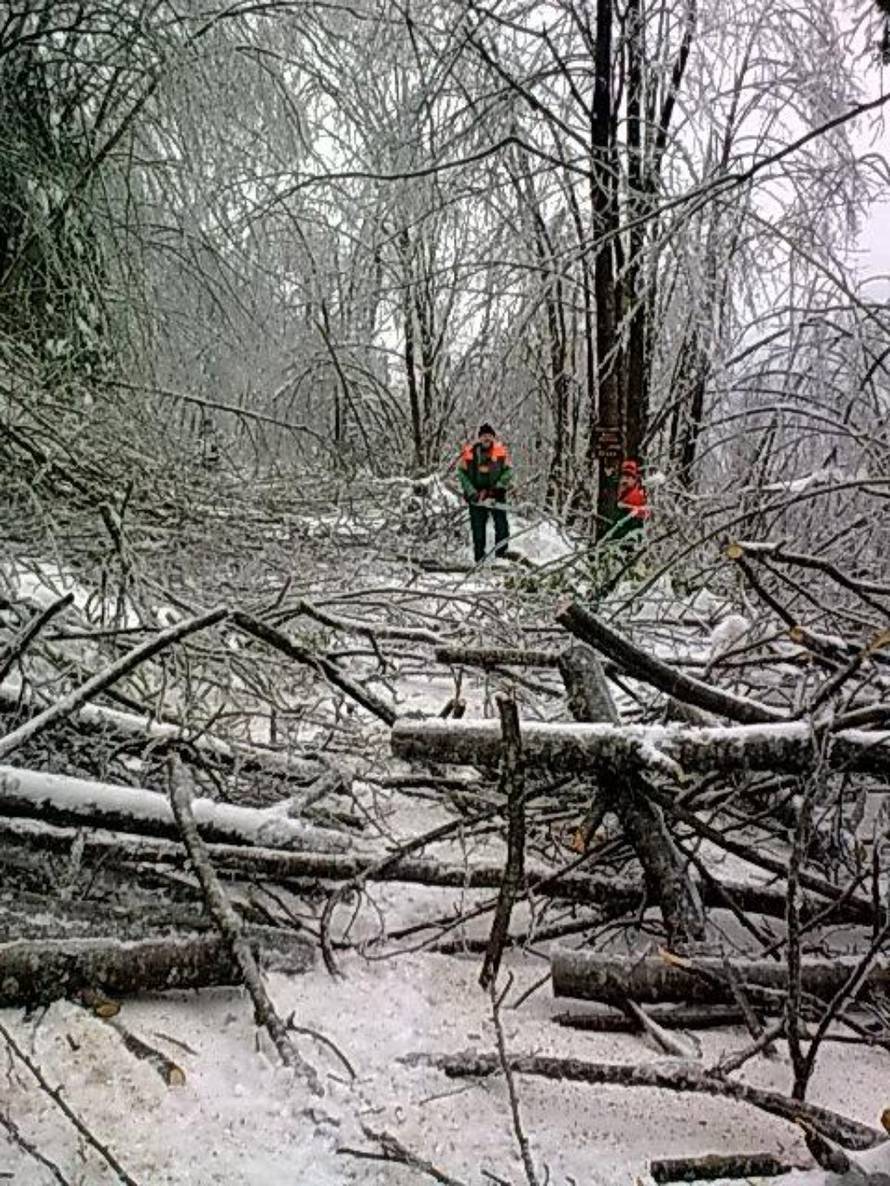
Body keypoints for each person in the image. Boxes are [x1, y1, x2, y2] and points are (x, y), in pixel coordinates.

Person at [457, 422, 514, 562]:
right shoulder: (469, 453)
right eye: (483, 436)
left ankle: (501, 557)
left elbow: (509, 471)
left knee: (502, 527)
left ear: (493, 437)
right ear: (479, 438)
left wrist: (498, 487)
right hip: (476, 497)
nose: (486, 439)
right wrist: (471, 492)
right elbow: (461, 473)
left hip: (496, 495)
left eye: (489, 436)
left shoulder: (501, 452)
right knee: (478, 530)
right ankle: (479, 560)